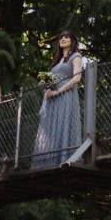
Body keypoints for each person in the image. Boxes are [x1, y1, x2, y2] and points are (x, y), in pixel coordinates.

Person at [32, 31, 83, 168]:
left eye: (66, 37)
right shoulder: (57, 60)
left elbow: (77, 78)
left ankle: (64, 158)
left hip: (66, 96)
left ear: (72, 41)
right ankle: (49, 161)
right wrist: (46, 87)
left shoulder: (76, 56)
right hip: (52, 99)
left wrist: (58, 91)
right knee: (51, 127)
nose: (63, 39)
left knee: (63, 123)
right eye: (61, 37)